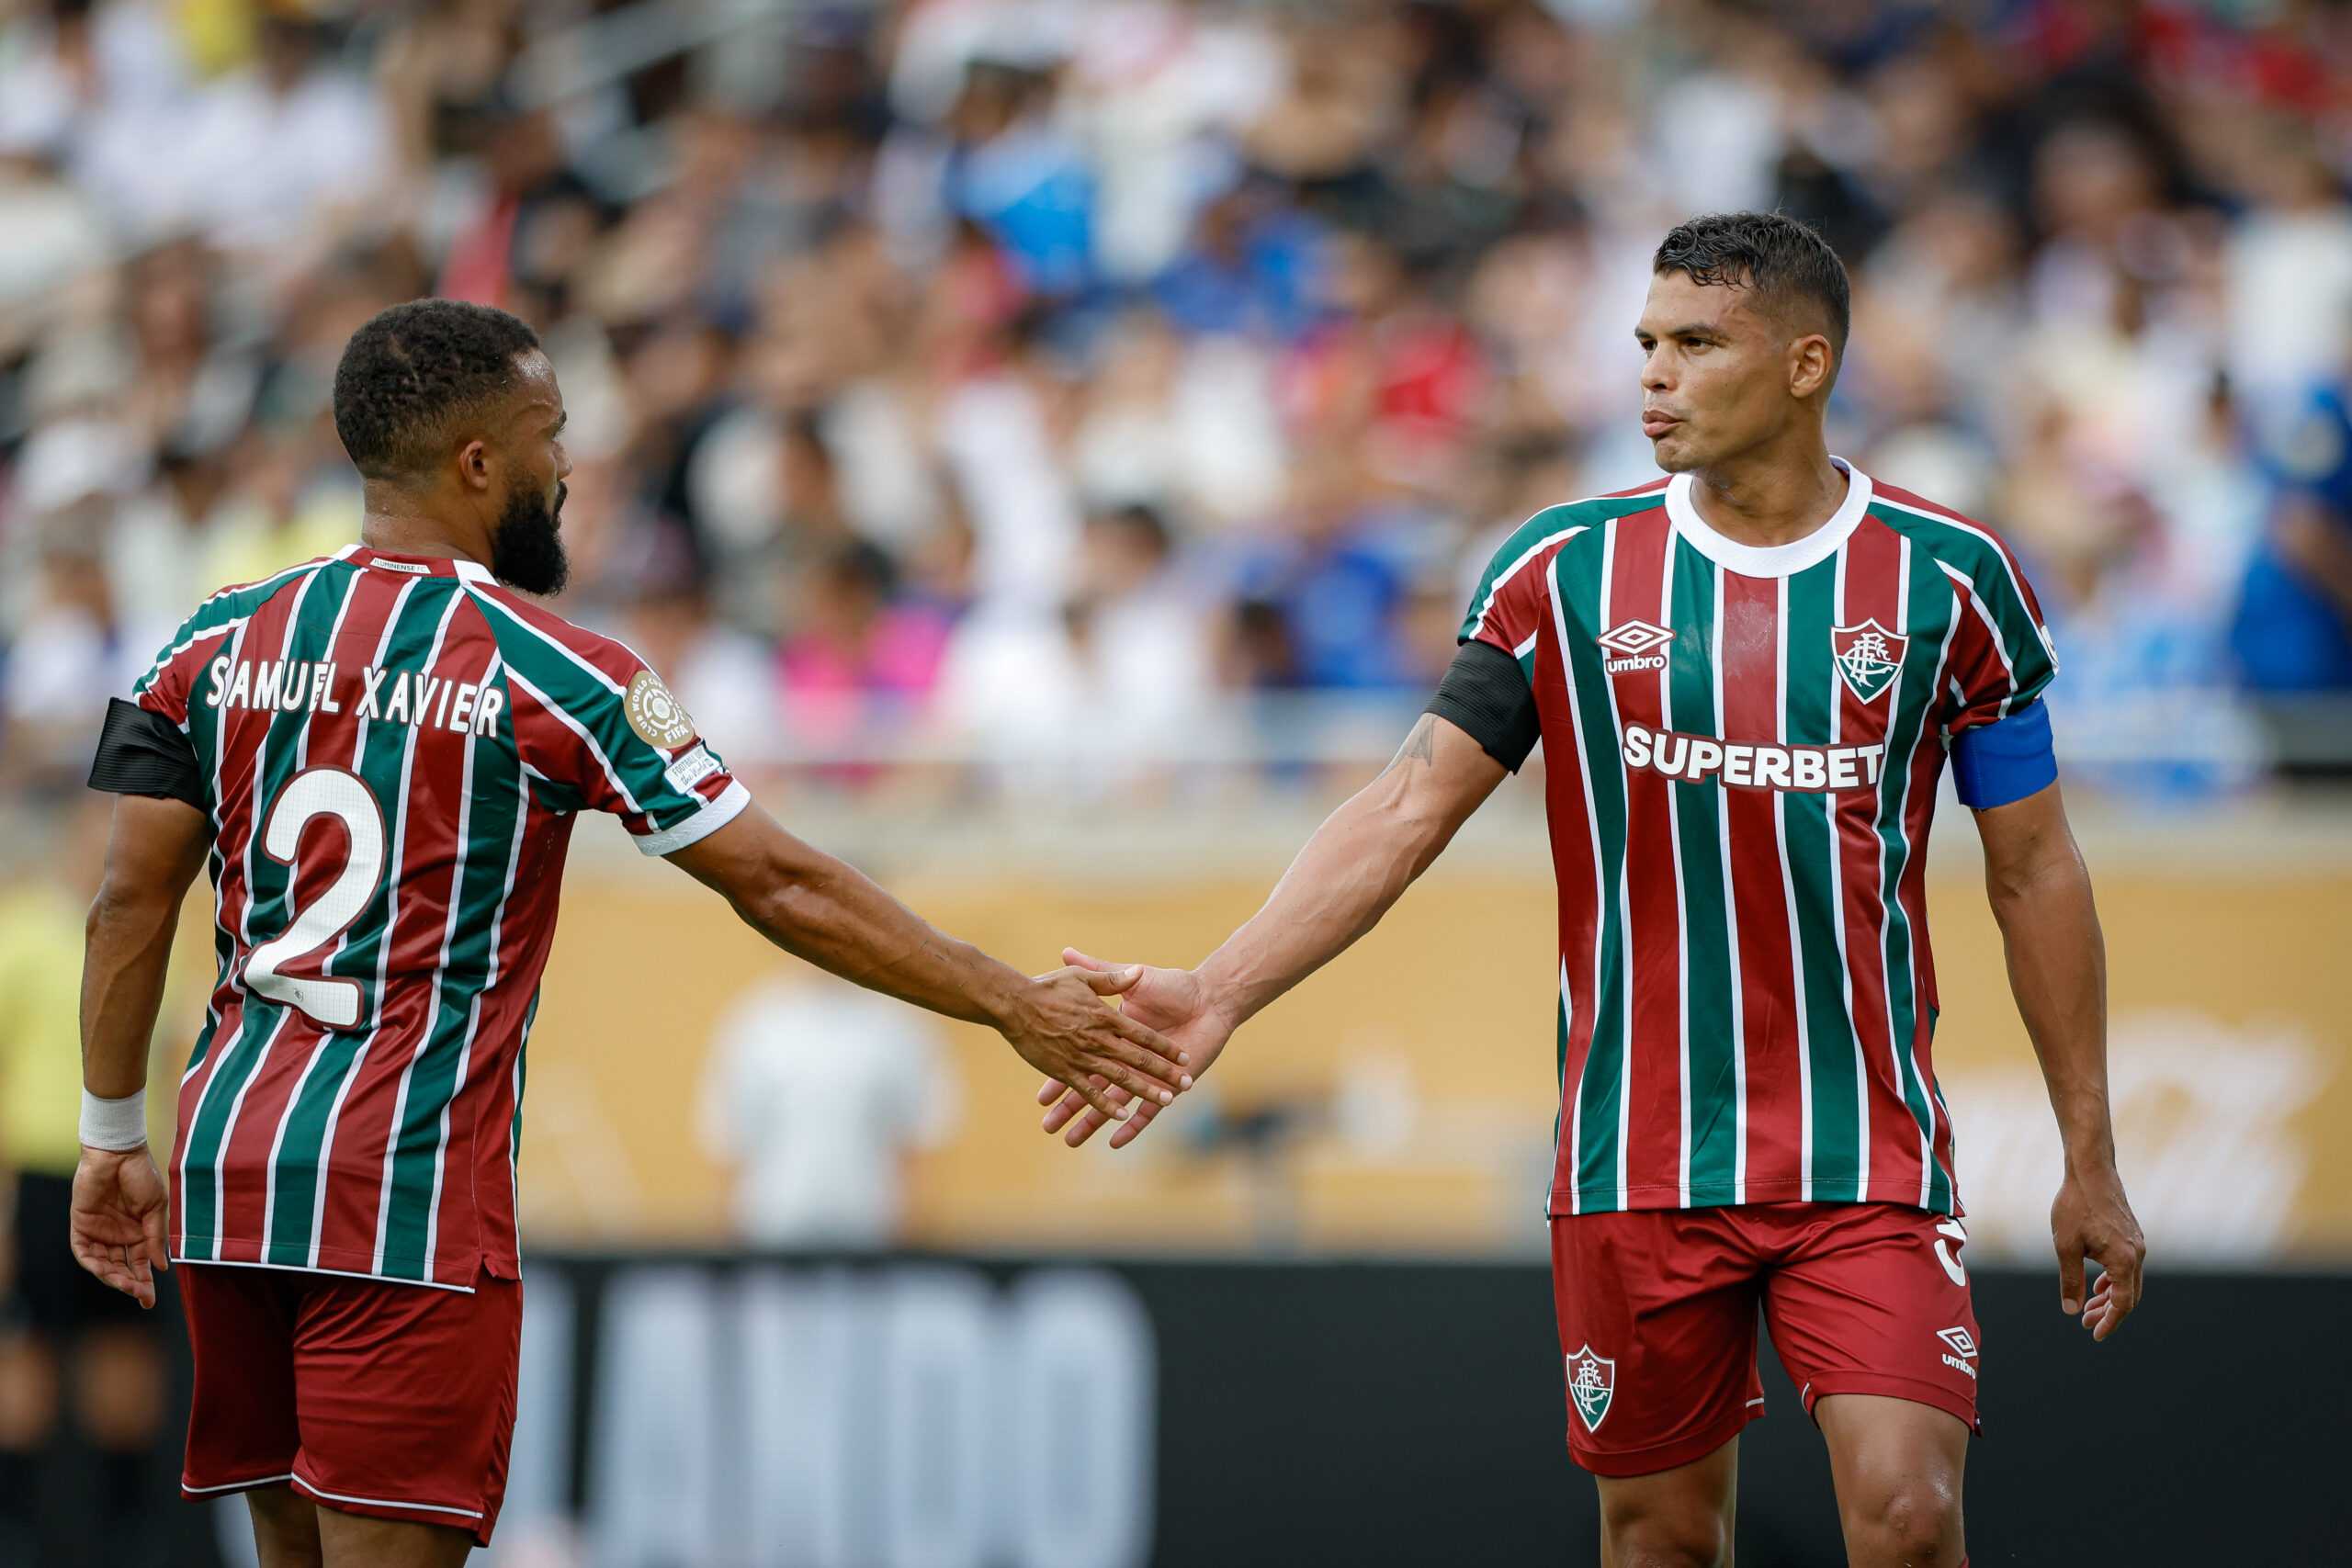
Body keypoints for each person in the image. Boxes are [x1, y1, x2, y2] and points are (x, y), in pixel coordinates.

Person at [1038, 212, 2147, 1567]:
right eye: (1646, 344)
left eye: (1696, 343)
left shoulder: (1951, 579)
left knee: (1912, 1517)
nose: (1654, 376)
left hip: (1867, 1153)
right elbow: (1405, 804)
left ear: (1807, 363)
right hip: (1635, 1152)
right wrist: (1217, 987)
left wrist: (2089, 1152)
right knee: (1664, 1538)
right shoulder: (1562, 569)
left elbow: (2034, 864)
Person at [69, 298, 1192, 1568]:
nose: (569, 464)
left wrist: (113, 1127)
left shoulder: (207, 638)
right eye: (550, 433)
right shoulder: (562, 669)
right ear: (478, 463)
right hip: (402, 1192)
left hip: (230, 1178)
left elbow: (130, 897)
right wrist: (1011, 1001)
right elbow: (778, 878)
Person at [697, 972, 957, 1248]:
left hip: (873, 1249)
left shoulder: (901, 1027)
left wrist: (911, 1247)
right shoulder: (755, 1024)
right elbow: (731, 1149)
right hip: (771, 1245)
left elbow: (921, 1144)